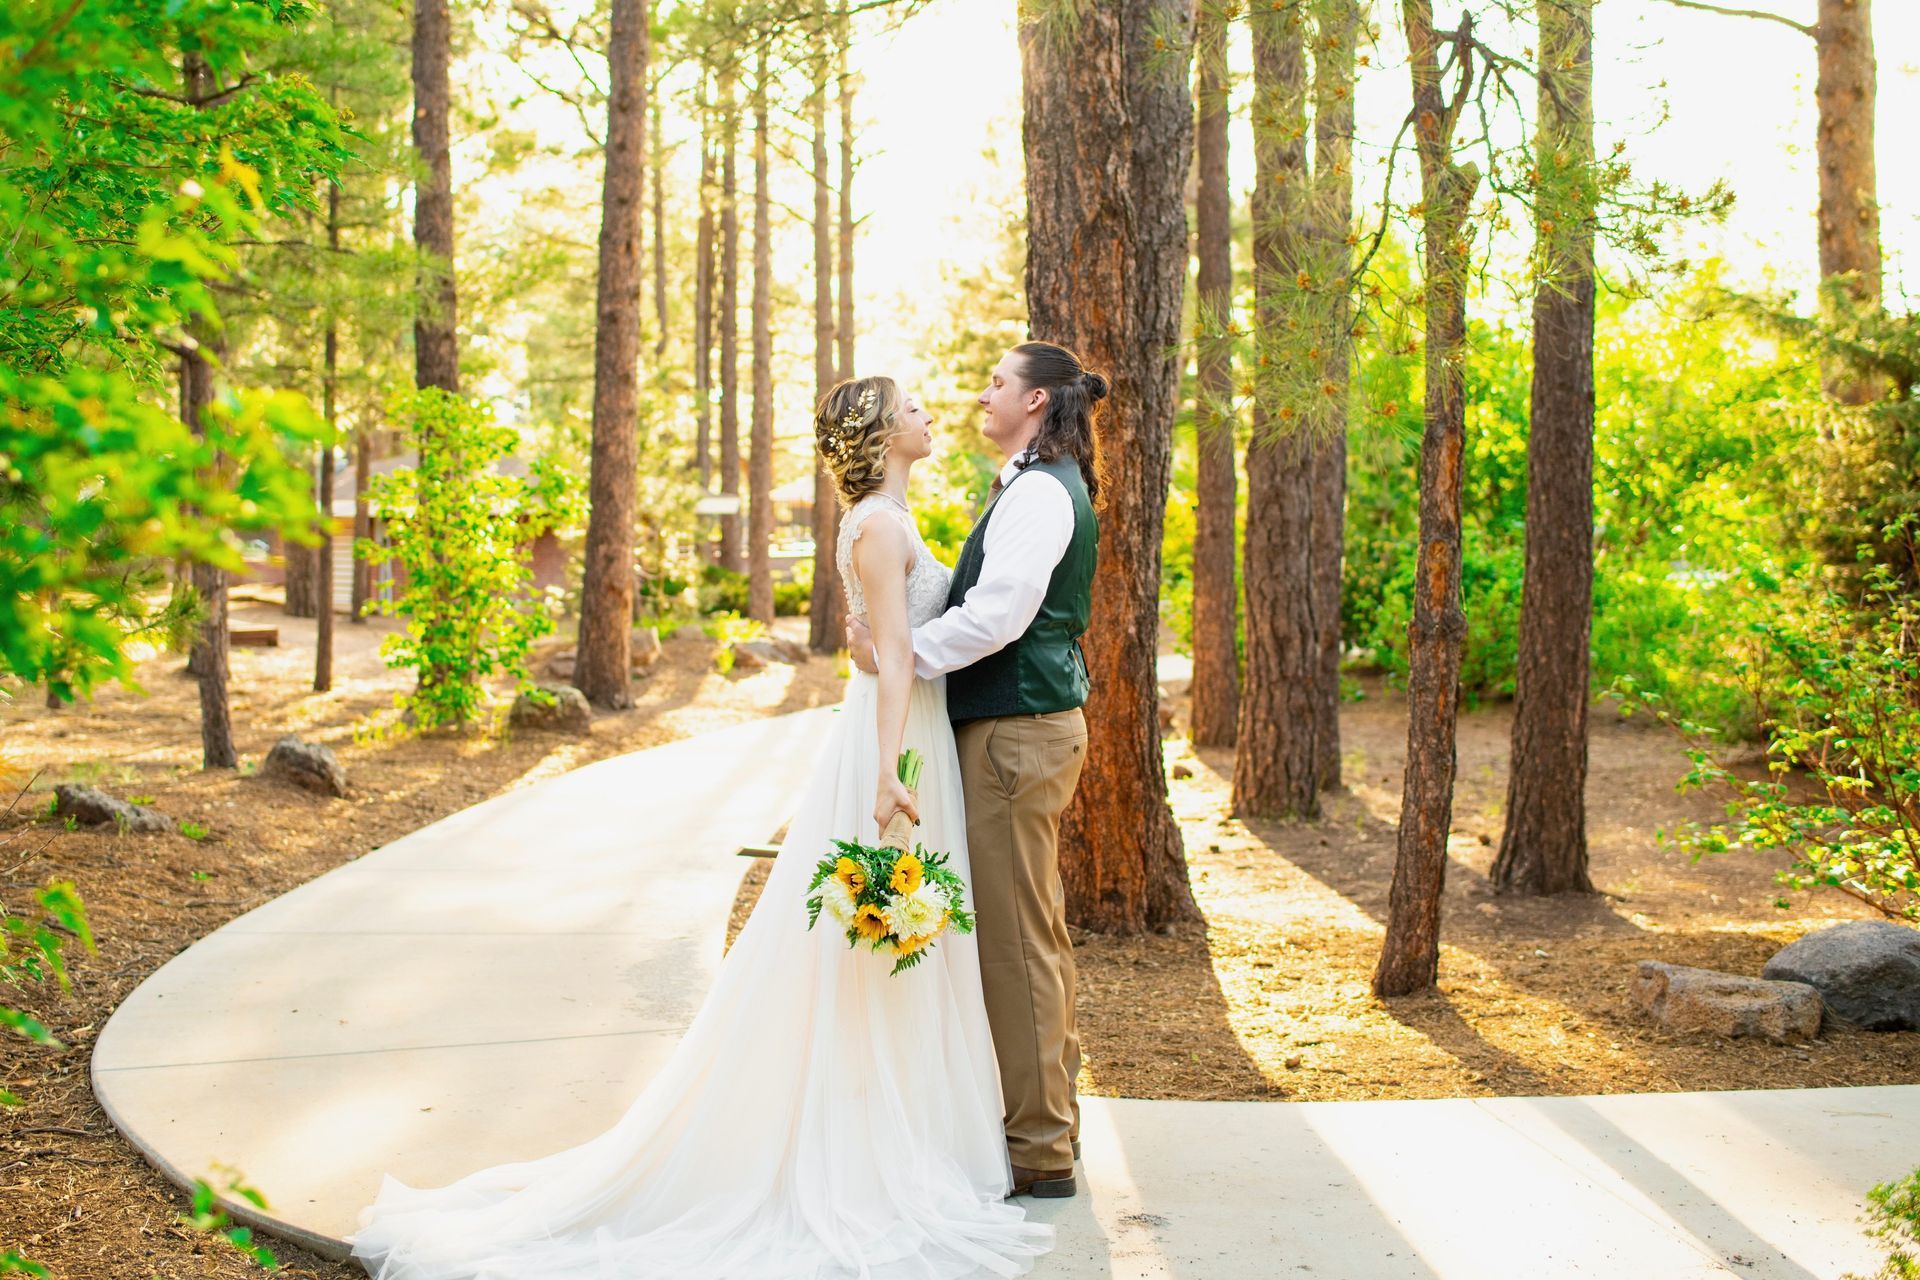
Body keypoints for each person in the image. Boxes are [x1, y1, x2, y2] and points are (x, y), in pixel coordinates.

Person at [348, 376, 1054, 1280]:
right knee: (873, 950)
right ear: (880, 436)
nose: (928, 411)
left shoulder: (888, 520)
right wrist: (887, 772)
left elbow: (879, 646)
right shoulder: (879, 526)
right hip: (894, 745)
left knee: (891, 951)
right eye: (910, 406)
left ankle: (900, 1128)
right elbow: (887, 663)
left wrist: (887, 678)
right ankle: (866, 1147)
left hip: (905, 729)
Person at [849, 340, 1103, 1200]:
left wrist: (900, 655)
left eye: (997, 382)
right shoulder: (1030, 485)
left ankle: (1040, 1148)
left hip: (1015, 734)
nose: (980, 393)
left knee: (1015, 944)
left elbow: (997, 616)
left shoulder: (1038, 492)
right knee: (1034, 933)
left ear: (1035, 402)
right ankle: (1049, 1122)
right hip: (1017, 729)